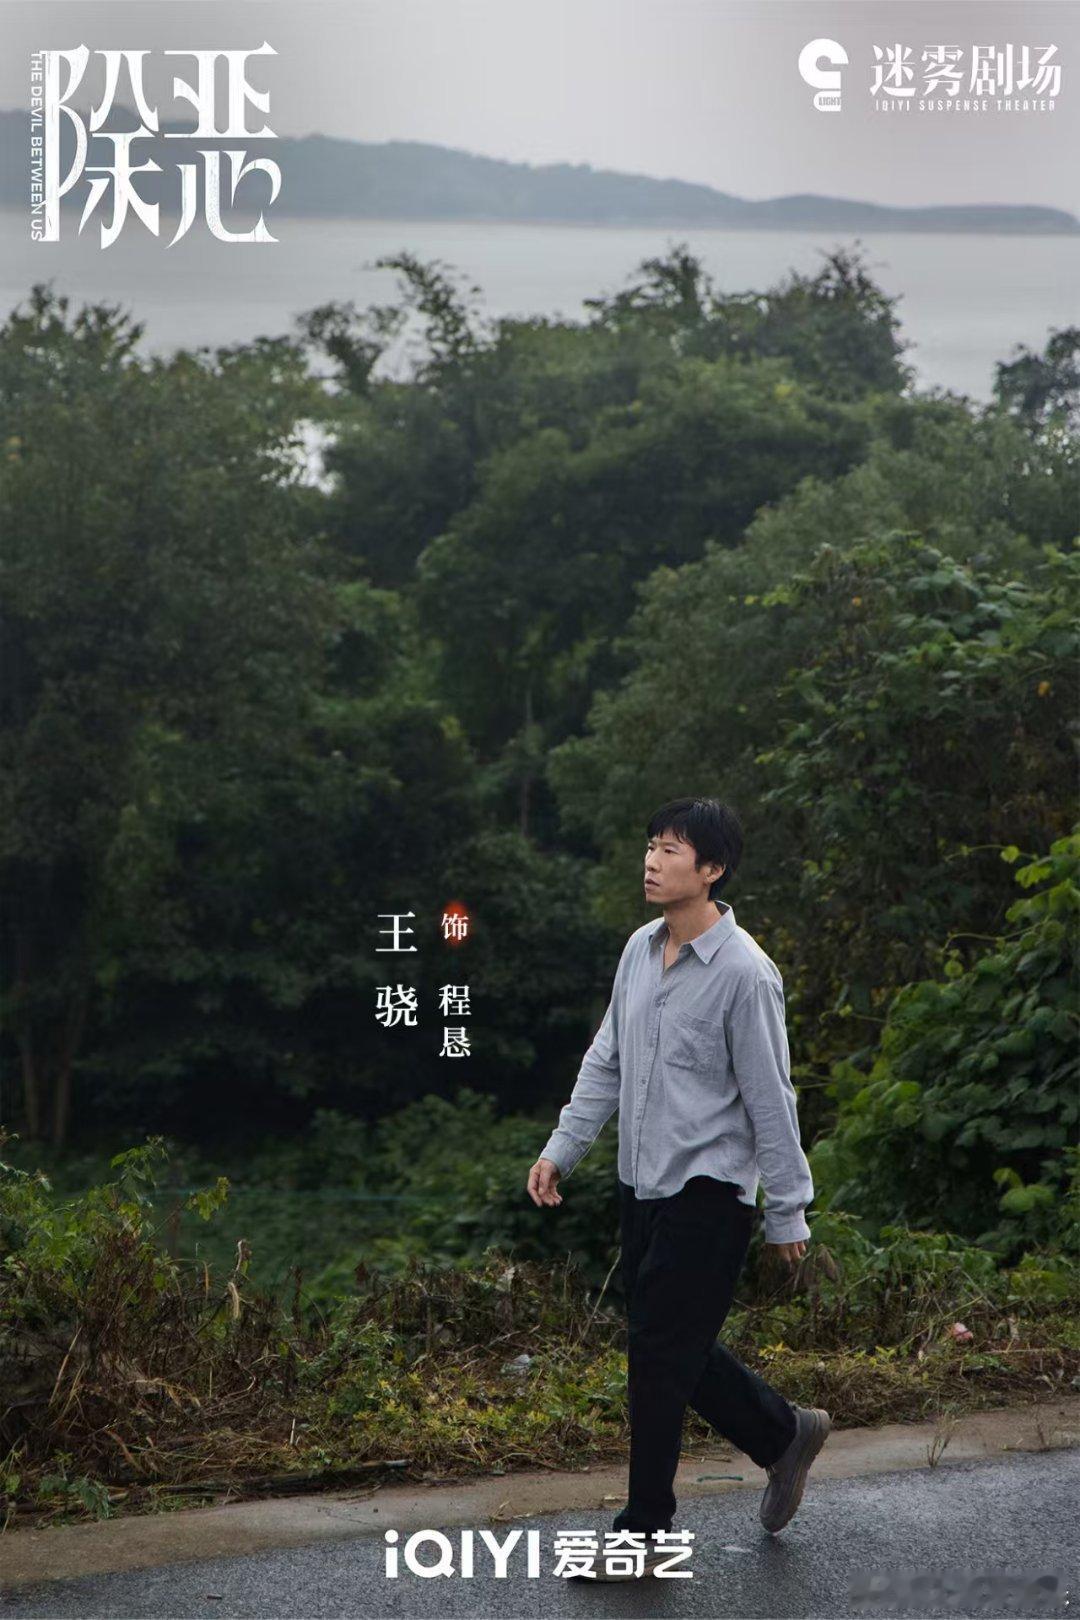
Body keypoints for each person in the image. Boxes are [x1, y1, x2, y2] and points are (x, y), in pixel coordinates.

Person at [527, 796, 831, 1581]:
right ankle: (782, 1434)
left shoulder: (745, 974)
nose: (652, 862)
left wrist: (787, 1211)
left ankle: (644, 1535)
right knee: (667, 1345)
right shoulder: (639, 949)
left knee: (658, 1353)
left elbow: (772, 1099)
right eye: (651, 845)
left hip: (711, 1190)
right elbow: (607, 1059)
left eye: (671, 850)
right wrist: (563, 1148)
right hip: (642, 1183)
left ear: (713, 869)